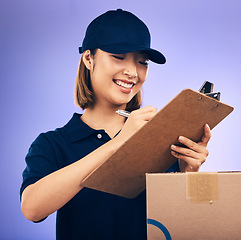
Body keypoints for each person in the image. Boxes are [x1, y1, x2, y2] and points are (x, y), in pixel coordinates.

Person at [20, 9, 211, 240]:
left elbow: (178, 223)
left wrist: (187, 173)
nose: (132, 72)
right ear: (89, 59)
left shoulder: (157, 136)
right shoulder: (53, 144)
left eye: (142, 62)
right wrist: (117, 144)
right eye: (118, 57)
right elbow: (32, 209)